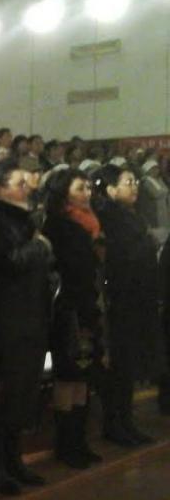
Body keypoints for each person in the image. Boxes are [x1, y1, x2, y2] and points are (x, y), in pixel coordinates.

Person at [0, 158, 54, 495]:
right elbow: (7, 263)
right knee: (5, 395)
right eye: (19, 183)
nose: (27, 188)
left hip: (31, 316)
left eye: (27, 182)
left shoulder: (24, 220)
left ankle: (14, 458)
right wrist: (39, 246)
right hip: (6, 321)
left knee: (24, 393)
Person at [91, 165, 165, 446]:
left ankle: (125, 421)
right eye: (127, 182)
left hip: (137, 299)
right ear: (111, 190)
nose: (134, 187)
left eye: (135, 182)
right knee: (119, 366)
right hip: (121, 300)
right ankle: (116, 423)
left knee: (129, 365)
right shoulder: (110, 219)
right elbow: (119, 260)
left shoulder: (131, 215)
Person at [42, 169, 104, 468]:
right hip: (68, 308)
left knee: (84, 374)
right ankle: (66, 443)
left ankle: (80, 439)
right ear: (63, 193)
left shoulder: (88, 224)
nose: (87, 193)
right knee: (68, 374)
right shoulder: (58, 226)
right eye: (80, 188)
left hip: (87, 305)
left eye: (88, 188)